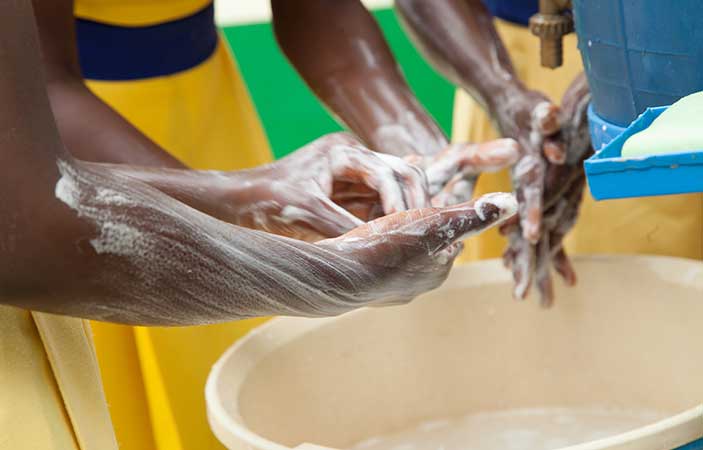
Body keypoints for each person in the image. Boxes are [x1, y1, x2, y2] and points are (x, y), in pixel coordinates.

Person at [3, 1, 520, 448]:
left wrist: (411, 153)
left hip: (203, 121)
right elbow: (30, 208)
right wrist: (316, 274)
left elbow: (320, 12)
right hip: (79, 156)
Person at [393, 0, 703, 306]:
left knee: (653, 304)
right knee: (498, 303)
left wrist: (616, 91)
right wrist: (502, 97)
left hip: (671, 64)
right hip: (484, 53)